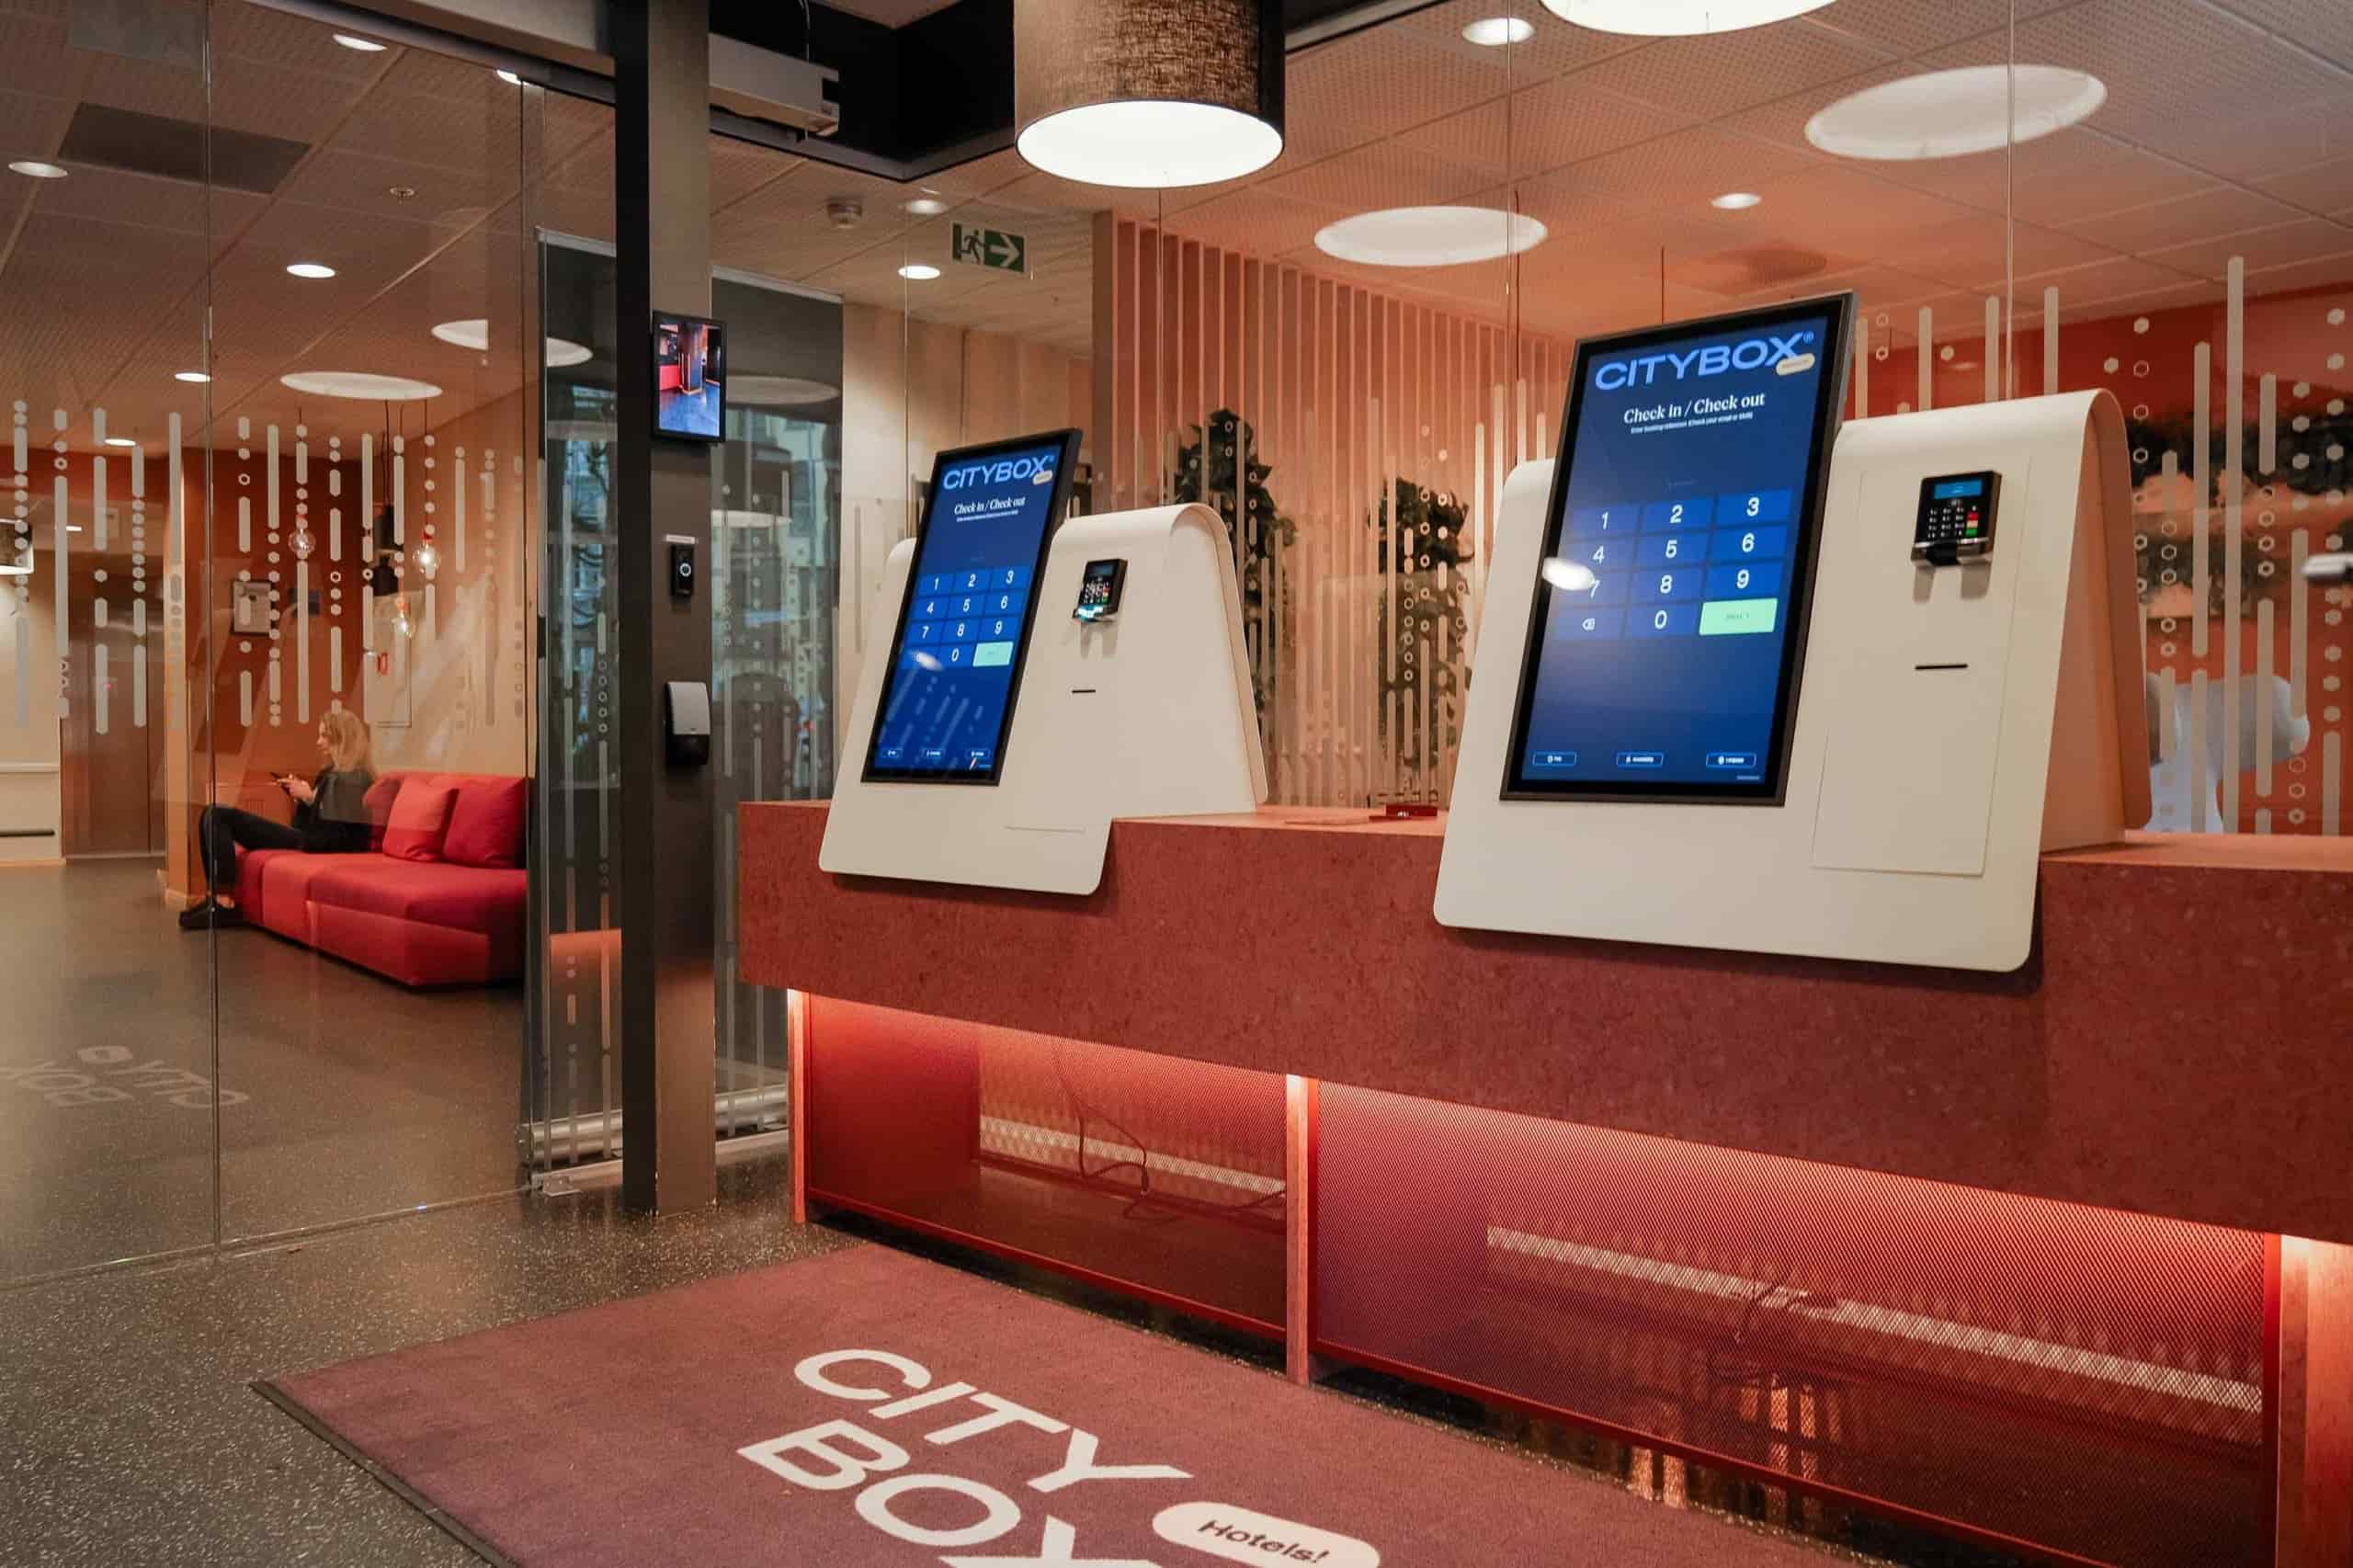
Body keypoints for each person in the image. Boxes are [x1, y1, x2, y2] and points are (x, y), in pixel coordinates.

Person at [181, 710, 376, 930]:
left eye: (324, 735)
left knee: (218, 815)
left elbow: (337, 834)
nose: (318, 742)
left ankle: (224, 902)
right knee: (210, 813)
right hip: (311, 840)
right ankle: (216, 896)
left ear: (342, 738)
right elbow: (302, 826)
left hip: (323, 845)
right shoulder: (330, 773)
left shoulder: (355, 778)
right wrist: (303, 800)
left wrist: (310, 798)